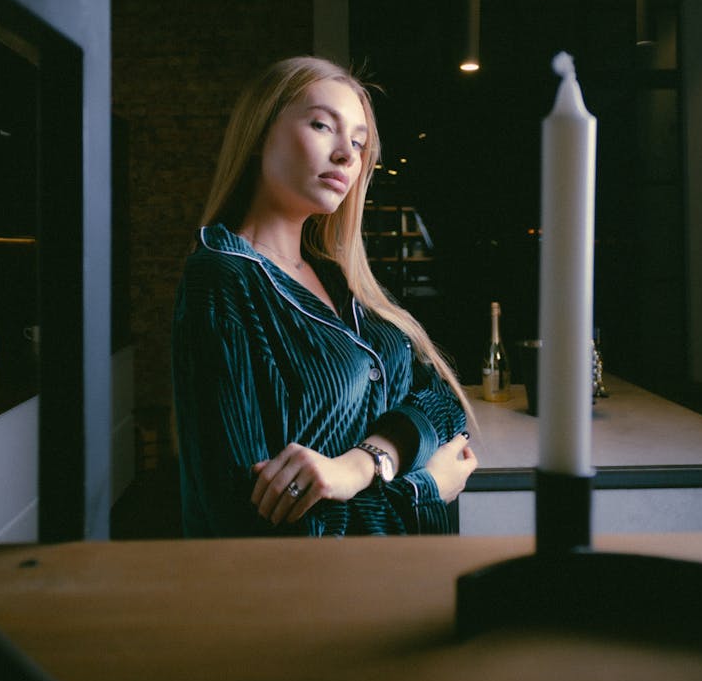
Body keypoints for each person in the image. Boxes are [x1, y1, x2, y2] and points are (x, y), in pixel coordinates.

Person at [172, 56, 478, 537]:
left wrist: (364, 464)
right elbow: (244, 527)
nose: (346, 156)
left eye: (358, 143)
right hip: (318, 602)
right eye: (322, 126)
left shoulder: (342, 284)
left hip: (399, 588)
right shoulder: (223, 280)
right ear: (259, 134)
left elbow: (443, 401)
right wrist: (425, 489)